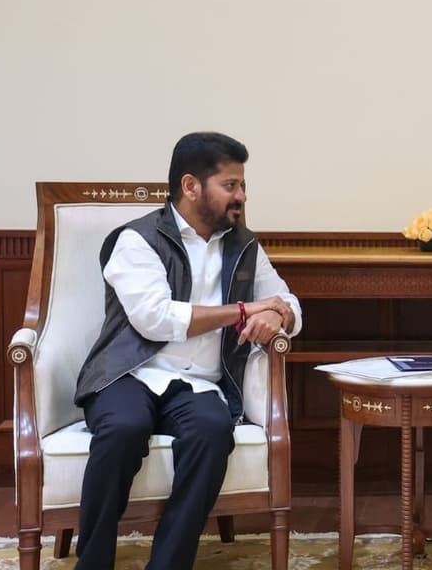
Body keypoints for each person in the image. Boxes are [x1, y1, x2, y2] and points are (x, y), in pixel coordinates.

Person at [72, 132, 303, 570]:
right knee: (123, 429)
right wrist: (242, 310)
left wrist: (279, 317)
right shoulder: (136, 240)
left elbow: (287, 301)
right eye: (230, 185)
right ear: (191, 186)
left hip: (197, 384)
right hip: (129, 374)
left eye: (242, 185)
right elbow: (156, 319)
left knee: (214, 431)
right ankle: (93, 562)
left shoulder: (244, 245)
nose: (241, 196)